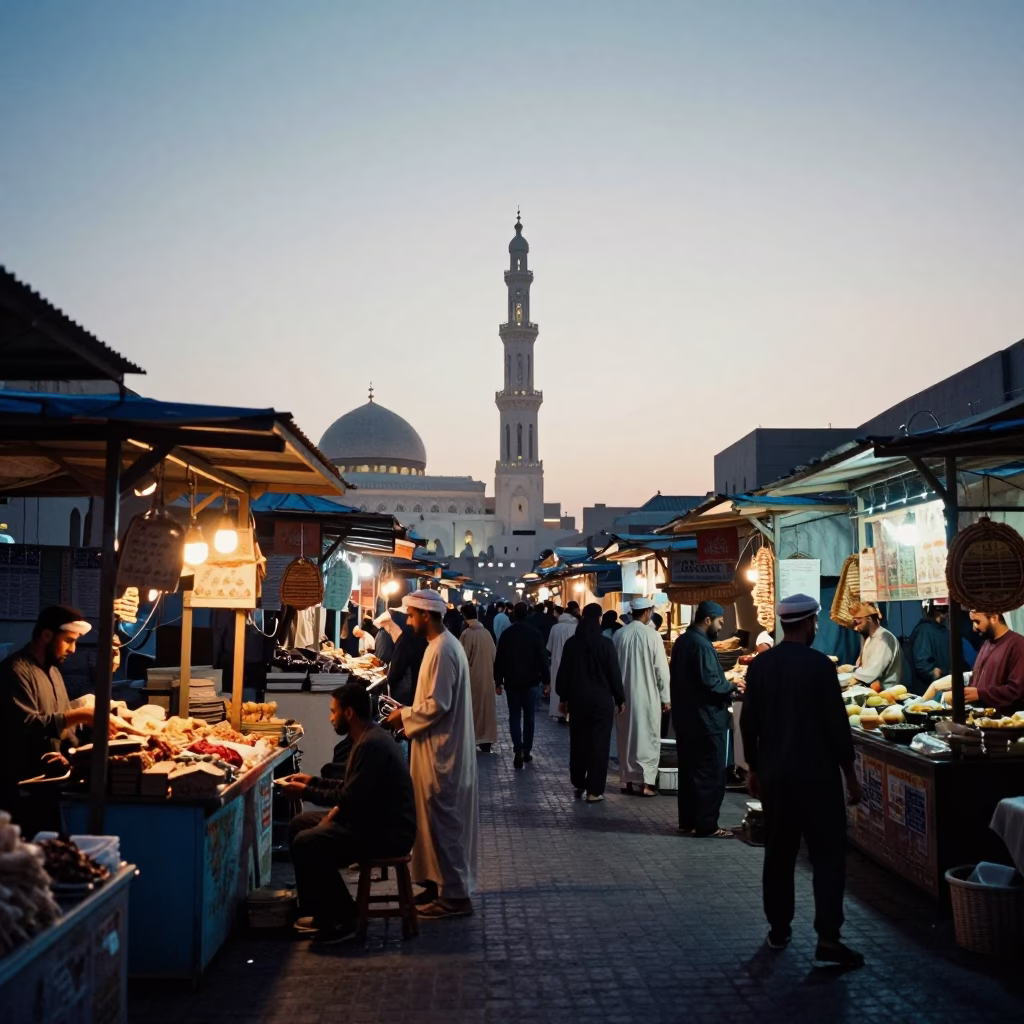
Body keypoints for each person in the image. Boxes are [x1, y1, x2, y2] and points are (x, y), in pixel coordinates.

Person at [740, 595, 864, 969]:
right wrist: (851, 776)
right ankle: (828, 937)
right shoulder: (819, 666)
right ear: (810, 623)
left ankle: (779, 930)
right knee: (828, 856)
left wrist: (754, 770)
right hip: (818, 778)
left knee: (779, 853)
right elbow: (836, 726)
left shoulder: (760, 667)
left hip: (777, 777)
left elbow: (749, 723)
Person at [284, 682, 416, 943]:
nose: (330, 718)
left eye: (333, 711)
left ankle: (345, 917)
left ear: (349, 713)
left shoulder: (370, 745)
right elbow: (349, 787)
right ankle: (319, 911)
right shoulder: (367, 738)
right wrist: (311, 781)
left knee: (307, 841)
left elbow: (349, 798)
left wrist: (306, 793)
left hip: (386, 832)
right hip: (374, 823)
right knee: (299, 824)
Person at [384, 590, 478, 919]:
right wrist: (407, 713)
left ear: (426, 615)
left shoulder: (444, 650)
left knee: (445, 823)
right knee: (434, 822)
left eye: (411, 616)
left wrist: (405, 716)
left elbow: (438, 705)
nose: (408, 621)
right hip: (434, 747)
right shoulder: (438, 647)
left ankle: (455, 895)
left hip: (443, 753)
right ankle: (440, 883)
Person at [0, 606, 109, 837]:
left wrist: (82, 748)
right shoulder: (15, 671)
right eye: (68, 640)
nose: (73, 649)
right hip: (21, 793)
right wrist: (82, 714)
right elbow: (27, 725)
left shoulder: (54, 672)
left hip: (51, 788)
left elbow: (63, 726)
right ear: (47, 635)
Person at [670, 600, 735, 836]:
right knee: (709, 774)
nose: (720, 627)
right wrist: (732, 685)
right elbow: (711, 683)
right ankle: (707, 825)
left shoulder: (682, 641)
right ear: (707, 620)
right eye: (719, 622)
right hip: (706, 721)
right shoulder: (701, 645)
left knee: (689, 774)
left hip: (686, 721)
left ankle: (688, 821)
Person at [556, 603, 625, 801]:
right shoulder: (606, 644)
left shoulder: (572, 644)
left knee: (579, 742)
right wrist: (620, 698)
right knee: (599, 745)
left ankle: (579, 780)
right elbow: (614, 674)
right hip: (601, 702)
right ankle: (594, 790)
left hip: (578, 701)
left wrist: (564, 698)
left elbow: (564, 674)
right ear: (599, 619)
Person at [614, 597, 671, 797]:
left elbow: (613, 669)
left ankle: (627, 781)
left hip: (624, 697)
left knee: (626, 738)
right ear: (647, 612)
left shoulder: (619, 635)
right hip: (648, 696)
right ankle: (647, 784)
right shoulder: (653, 636)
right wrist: (666, 697)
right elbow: (661, 670)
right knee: (648, 739)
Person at [924, 610, 1024, 712]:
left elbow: (1016, 691)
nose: (974, 627)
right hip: (982, 718)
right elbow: (978, 679)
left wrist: (979, 694)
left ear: (994, 617)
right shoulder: (987, 644)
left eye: (977, 621)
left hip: (1005, 722)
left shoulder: (1018, 645)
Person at [494, 601, 550, 768]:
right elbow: (542, 659)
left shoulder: (507, 635)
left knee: (514, 716)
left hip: (512, 682)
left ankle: (517, 748)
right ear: (527, 614)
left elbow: (499, 661)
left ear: (514, 614)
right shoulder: (535, 634)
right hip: (531, 682)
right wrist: (546, 681)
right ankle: (526, 751)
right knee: (529, 717)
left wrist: (498, 681)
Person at [458, 603, 498, 752]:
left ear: (464, 617)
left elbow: (462, 658)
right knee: (486, 711)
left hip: (471, 679)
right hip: (487, 678)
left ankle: (473, 738)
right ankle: (486, 739)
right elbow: (495, 656)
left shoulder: (467, 634)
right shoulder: (486, 633)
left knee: (473, 710)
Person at [849, 602, 903, 687]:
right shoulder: (869, 639)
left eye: (858, 623)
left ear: (869, 619)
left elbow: (871, 674)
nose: (856, 628)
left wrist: (851, 670)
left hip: (886, 694)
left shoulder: (884, 639)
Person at [384, 608, 428, 707]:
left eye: (411, 616)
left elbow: (395, 674)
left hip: (407, 698)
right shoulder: (424, 636)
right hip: (422, 695)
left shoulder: (405, 640)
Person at [909, 599, 949, 689]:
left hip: (944, 686)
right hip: (929, 689)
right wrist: (934, 672)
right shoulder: (924, 630)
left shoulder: (943, 630)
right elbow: (922, 662)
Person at [546, 606, 577, 721]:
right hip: (572, 662)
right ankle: (569, 711)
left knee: (556, 686)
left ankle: (557, 711)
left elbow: (549, 647)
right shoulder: (575, 627)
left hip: (556, 661)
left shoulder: (555, 628)